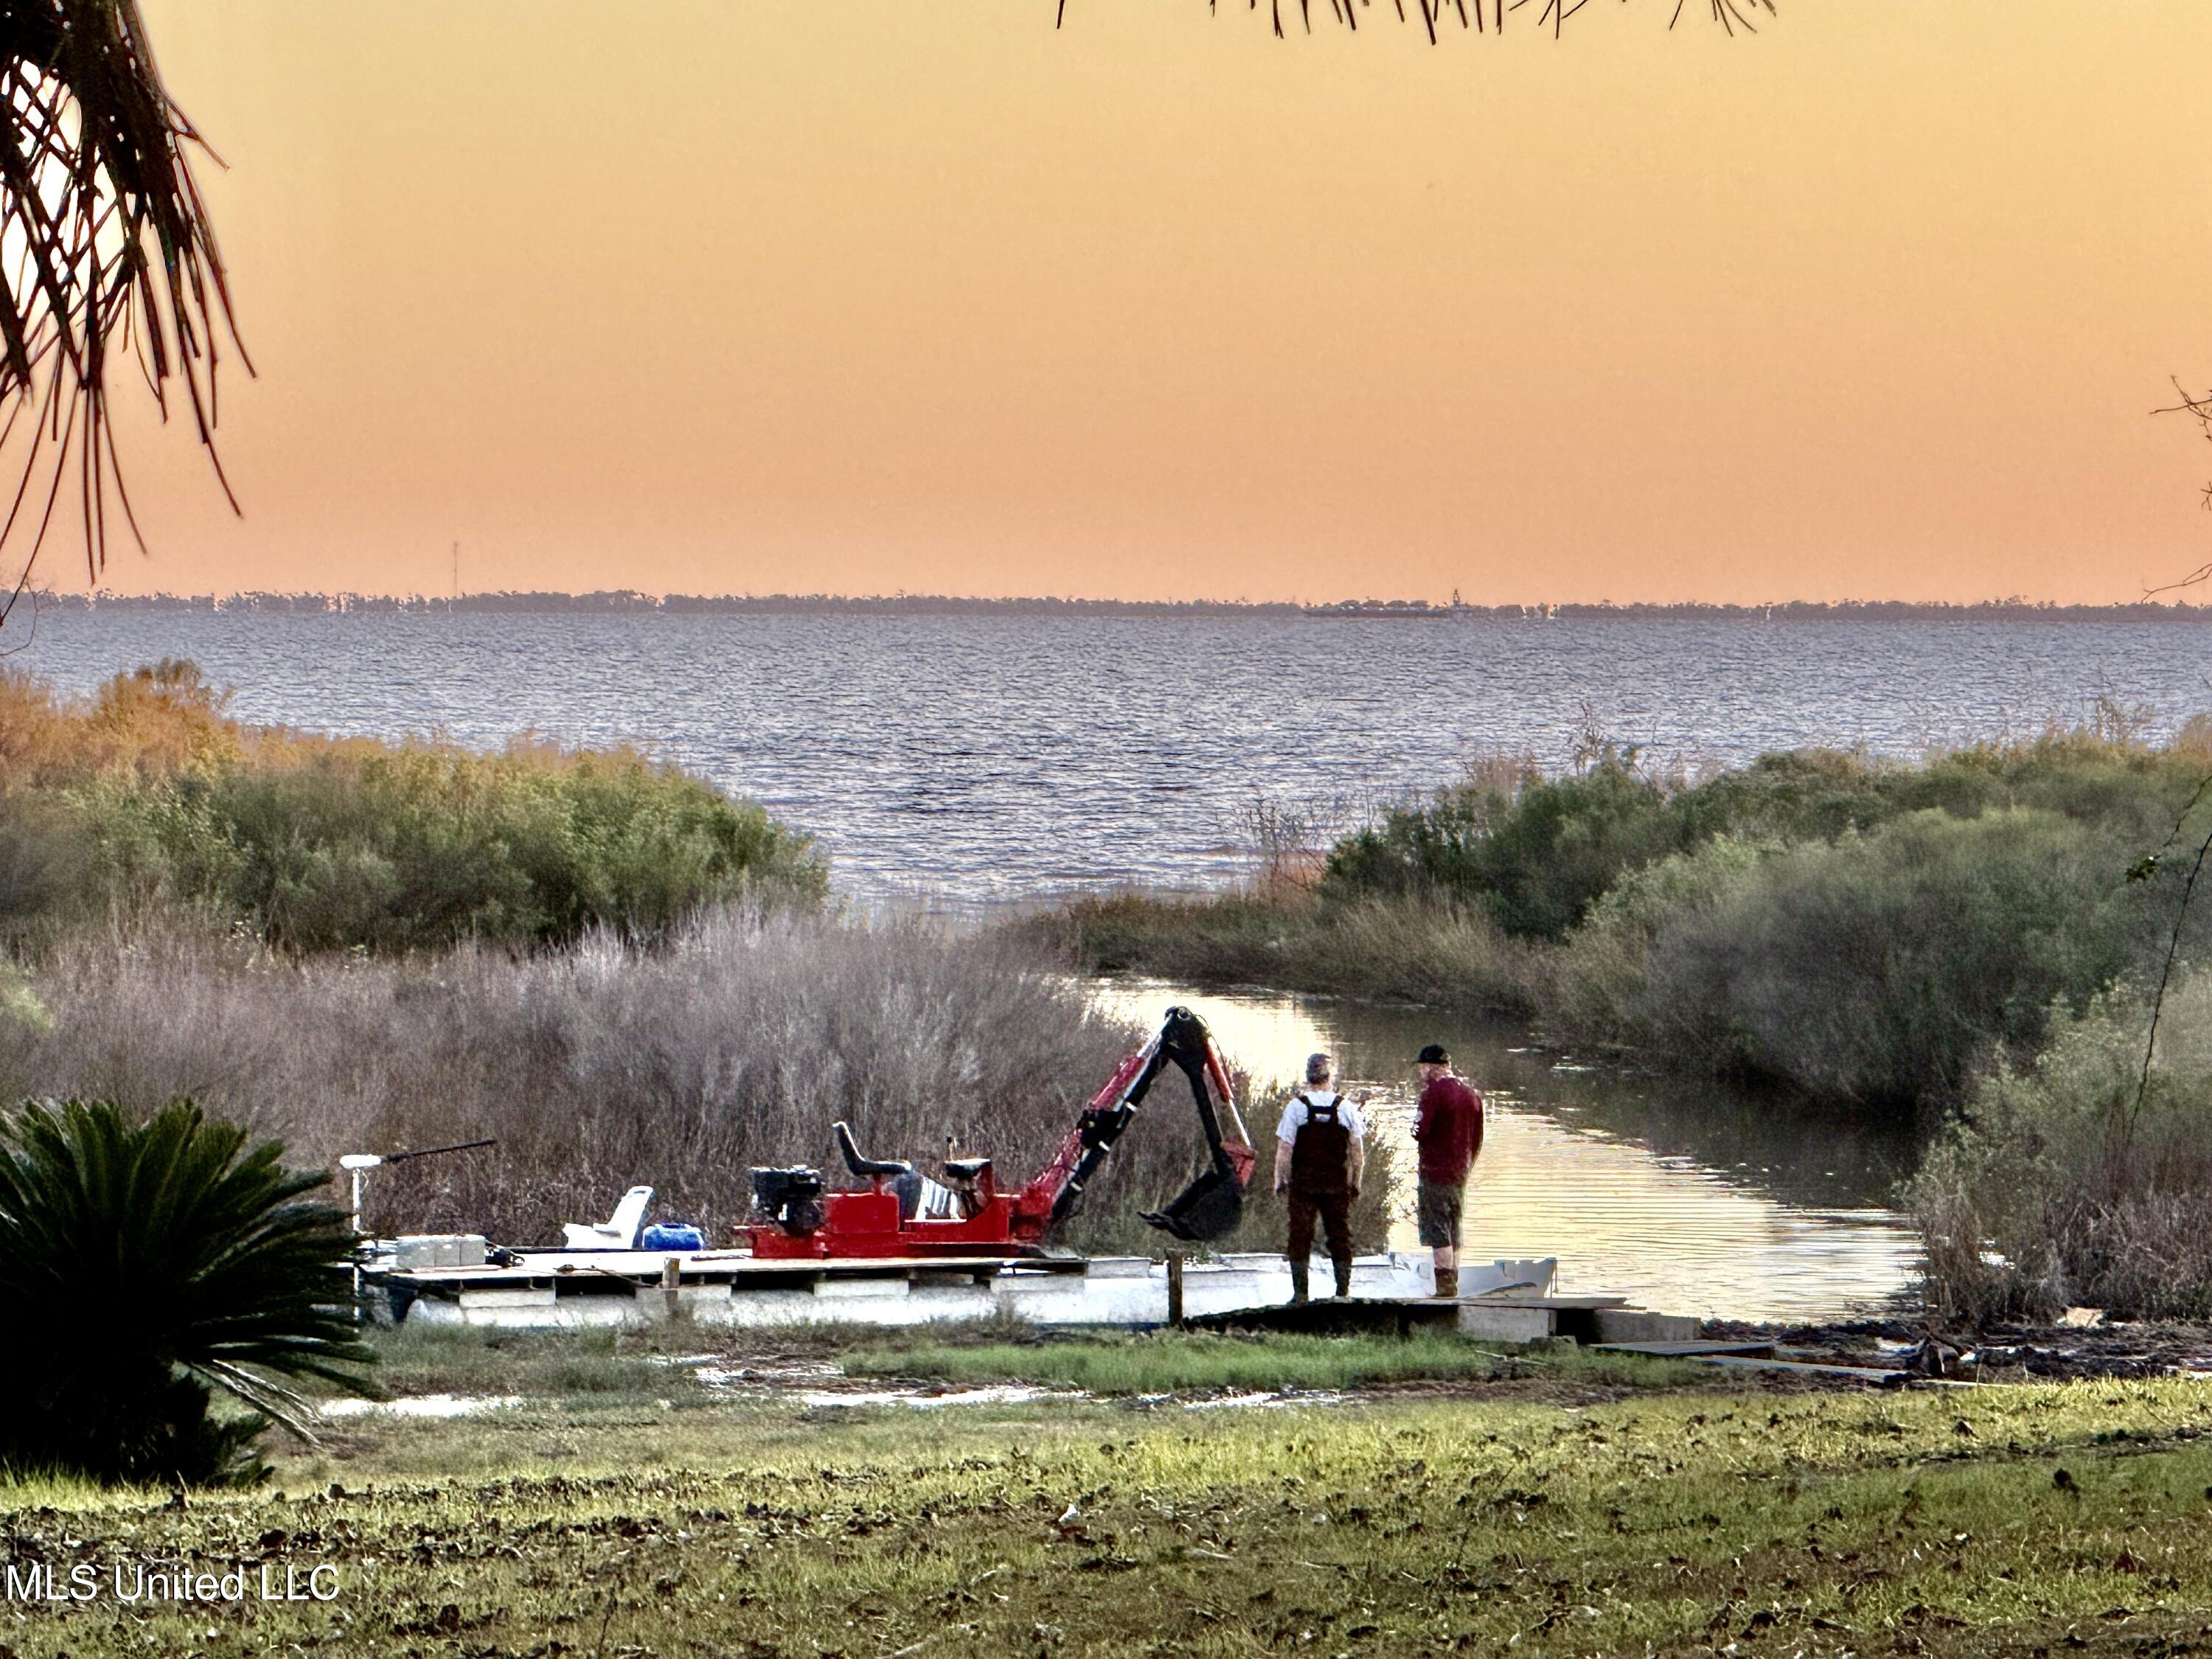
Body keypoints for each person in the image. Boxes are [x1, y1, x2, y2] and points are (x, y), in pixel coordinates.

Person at [1273, 1051, 1366, 1303]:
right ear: (1330, 1077)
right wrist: (1355, 1184)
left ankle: (1300, 1294)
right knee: (1339, 1235)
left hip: (1303, 1186)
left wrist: (1280, 1181)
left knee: (1300, 1236)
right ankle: (1343, 1292)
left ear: (1308, 1076)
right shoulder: (1346, 1107)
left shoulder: (1296, 1107)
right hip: (1336, 1186)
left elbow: (1284, 1150)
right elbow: (1357, 1153)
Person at [1411, 1043, 1484, 1298]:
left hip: (1435, 1172)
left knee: (1438, 1229)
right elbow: (1477, 1140)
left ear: (1432, 1067)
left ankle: (1445, 1290)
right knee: (1455, 1229)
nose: (1420, 1073)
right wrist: (1466, 1167)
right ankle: (1455, 1283)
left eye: (1421, 1068)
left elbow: (1420, 1132)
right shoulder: (1472, 1094)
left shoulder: (1433, 1093)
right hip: (1460, 1174)